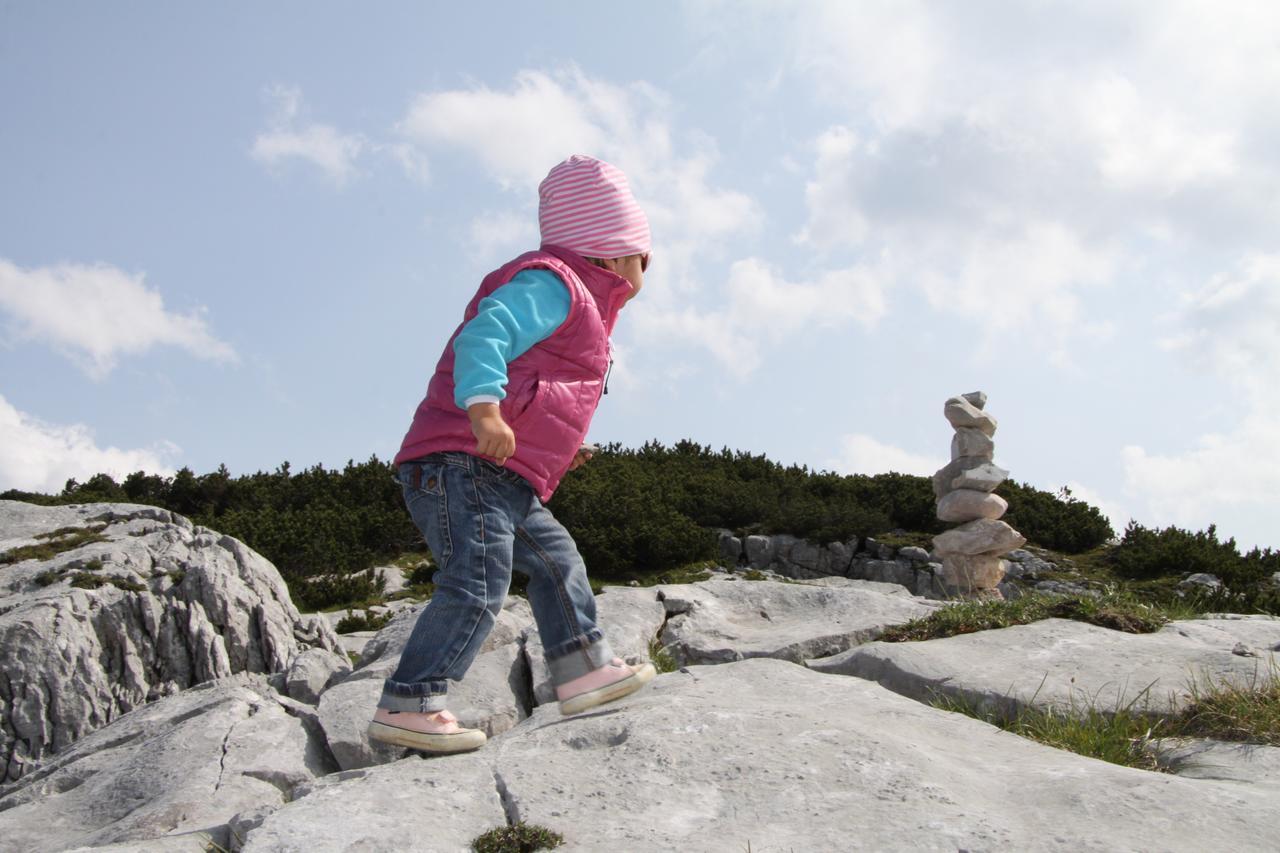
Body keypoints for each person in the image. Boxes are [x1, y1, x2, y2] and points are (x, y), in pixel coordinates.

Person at [367, 154, 657, 755]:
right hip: (463, 462)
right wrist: (484, 409)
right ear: (609, 250)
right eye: (642, 254)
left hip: (502, 475)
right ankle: (409, 701)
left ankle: (580, 670)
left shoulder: (583, 305)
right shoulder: (554, 284)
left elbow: (540, 391)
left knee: (557, 560)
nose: (646, 267)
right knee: (476, 582)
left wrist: (562, 445)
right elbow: (484, 336)